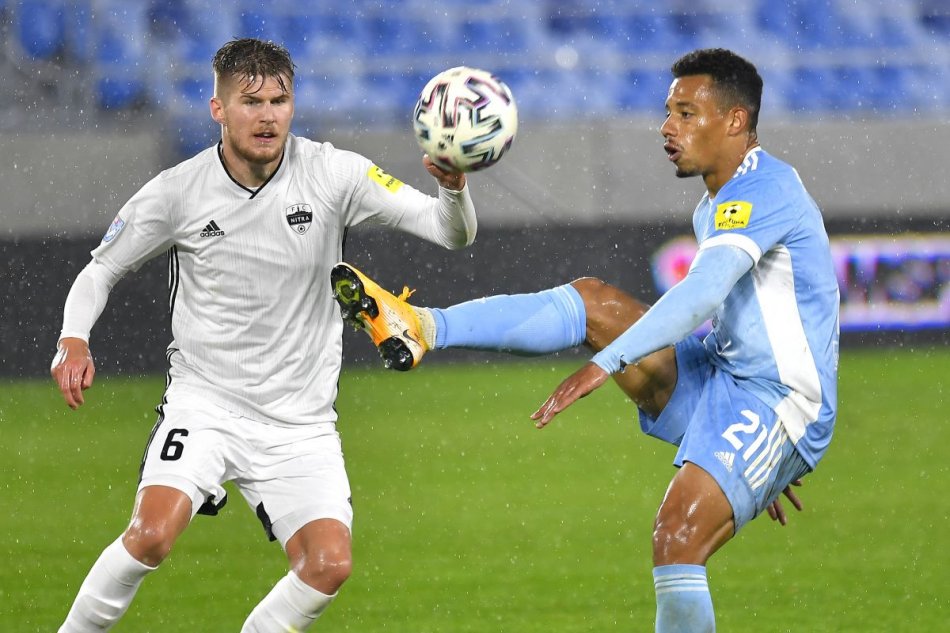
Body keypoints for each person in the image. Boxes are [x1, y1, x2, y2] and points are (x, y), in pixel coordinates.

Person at [331, 48, 839, 632]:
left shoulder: (766, 188)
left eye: (686, 113)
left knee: (676, 536)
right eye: (668, 112)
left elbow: (702, 294)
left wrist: (606, 364)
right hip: (727, 381)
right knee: (594, 301)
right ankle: (422, 326)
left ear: (735, 121)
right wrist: (747, 464)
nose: (667, 127)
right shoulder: (717, 203)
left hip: (780, 399)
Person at [50, 38, 476, 632]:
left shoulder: (335, 173)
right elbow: (101, 270)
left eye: (279, 100)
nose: (268, 116)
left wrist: (454, 189)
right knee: (150, 536)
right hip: (207, 404)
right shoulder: (178, 191)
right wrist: (73, 338)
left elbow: (450, 233)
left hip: (300, 423)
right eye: (251, 102)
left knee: (328, 566)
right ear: (218, 109)